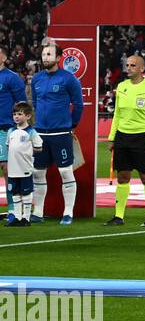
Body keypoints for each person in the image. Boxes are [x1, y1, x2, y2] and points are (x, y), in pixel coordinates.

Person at [105, 54, 145, 227]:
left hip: (143, 137)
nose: (128, 68)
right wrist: (112, 137)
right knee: (122, 176)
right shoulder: (122, 87)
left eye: (132, 65)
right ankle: (118, 216)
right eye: (127, 65)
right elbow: (117, 114)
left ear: (141, 69)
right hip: (123, 137)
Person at [30, 42, 84, 225]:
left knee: (65, 171)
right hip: (40, 133)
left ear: (59, 58)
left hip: (60, 133)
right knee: (38, 172)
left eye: (49, 54)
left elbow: (78, 104)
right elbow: (36, 103)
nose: (45, 57)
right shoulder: (36, 79)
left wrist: (72, 124)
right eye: (44, 54)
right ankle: (38, 212)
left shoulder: (69, 79)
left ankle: (68, 213)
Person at [0, 46, 28, 224]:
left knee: (7, 167)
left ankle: (13, 209)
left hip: (5, 129)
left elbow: (22, 104)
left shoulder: (11, 78)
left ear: (3, 58)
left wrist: (23, 128)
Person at [5, 102, 40, 226]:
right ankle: (17, 217)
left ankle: (26, 218)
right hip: (13, 168)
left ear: (28, 116)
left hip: (25, 167)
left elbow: (39, 147)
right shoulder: (10, 131)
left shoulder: (31, 132)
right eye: (14, 114)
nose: (16, 116)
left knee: (26, 192)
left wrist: (27, 151)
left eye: (19, 114)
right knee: (14, 192)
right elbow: (9, 146)